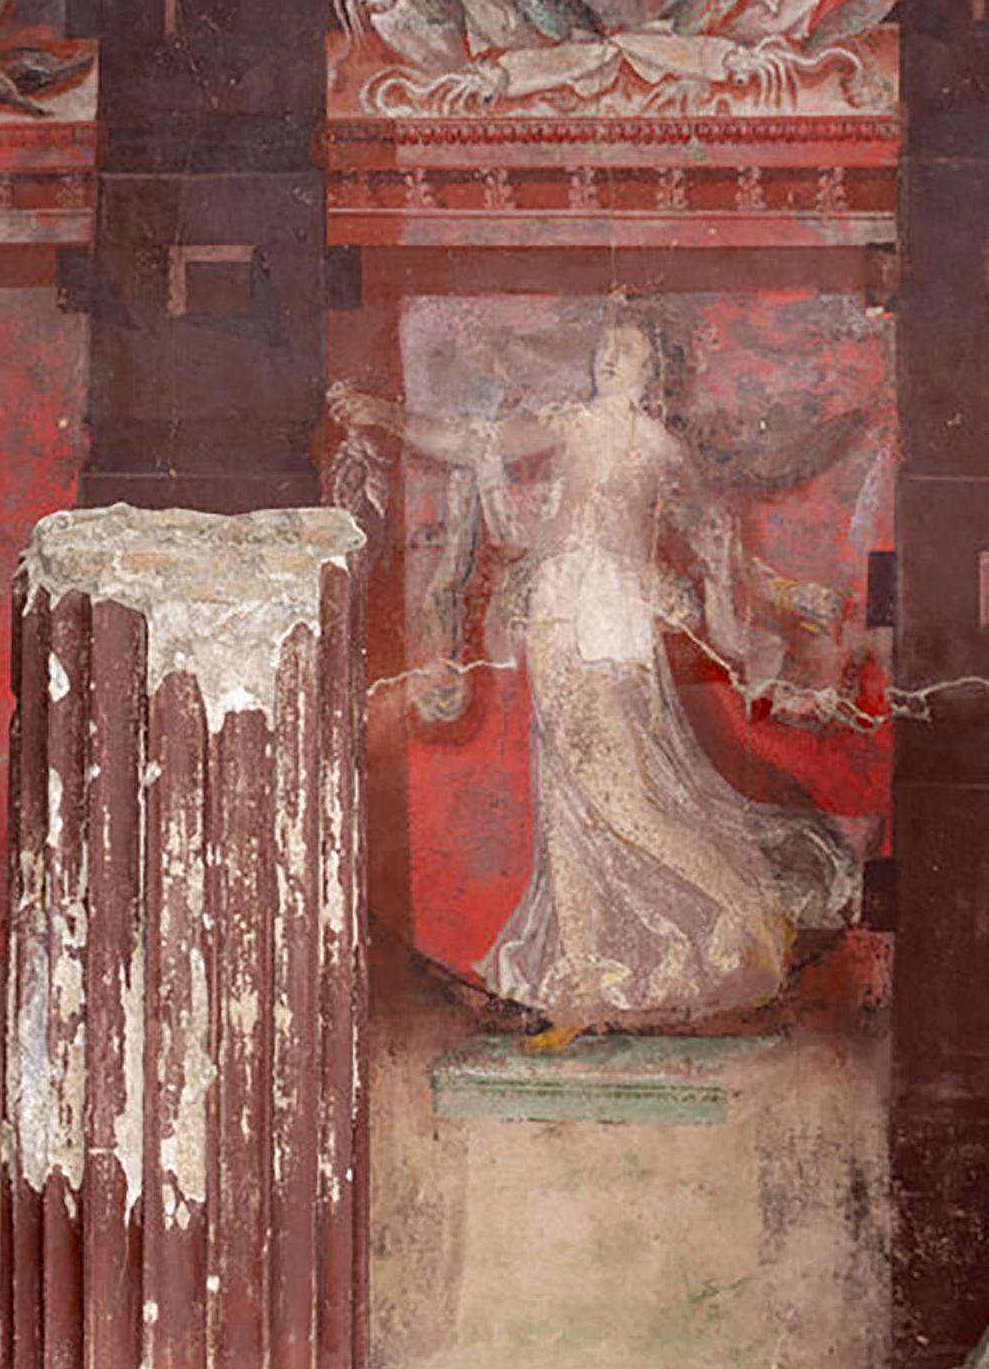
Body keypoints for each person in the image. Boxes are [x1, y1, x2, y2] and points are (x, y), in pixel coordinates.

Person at [333, 312, 860, 1038]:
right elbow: (470, 443)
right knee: (564, 805)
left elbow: (712, 541)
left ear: (654, 369)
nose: (612, 358)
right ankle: (576, 991)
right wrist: (386, 415)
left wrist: (755, 599)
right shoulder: (572, 422)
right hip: (557, 613)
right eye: (607, 348)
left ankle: (747, 905)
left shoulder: (661, 447)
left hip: (610, 625)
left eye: (630, 349)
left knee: (621, 796)